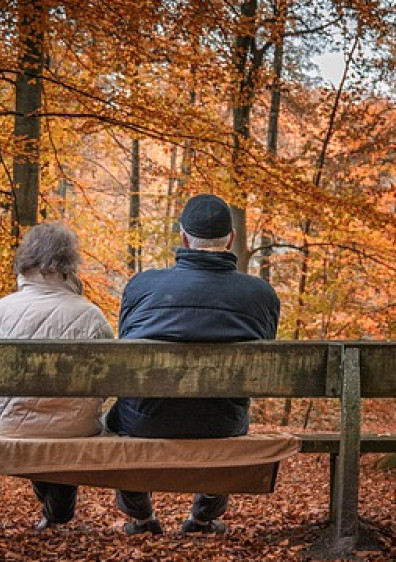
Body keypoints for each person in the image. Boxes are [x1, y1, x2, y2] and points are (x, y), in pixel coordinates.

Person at [104, 193, 281, 536]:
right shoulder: (260, 295)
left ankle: (141, 518)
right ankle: (202, 519)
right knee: (226, 411)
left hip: (145, 422)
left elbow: (127, 349)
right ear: (230, 239)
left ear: (183, 237)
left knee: (123, 413)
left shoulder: (142, 286)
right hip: (220, 423)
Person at [0, 222, 114, 532]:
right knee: (65, 425)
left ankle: (55, 516)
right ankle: (58, 515)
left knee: (36, 426)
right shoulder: (89, 314)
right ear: (70, 265)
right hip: (76, 425)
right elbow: (108, 382)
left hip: (9, 423)